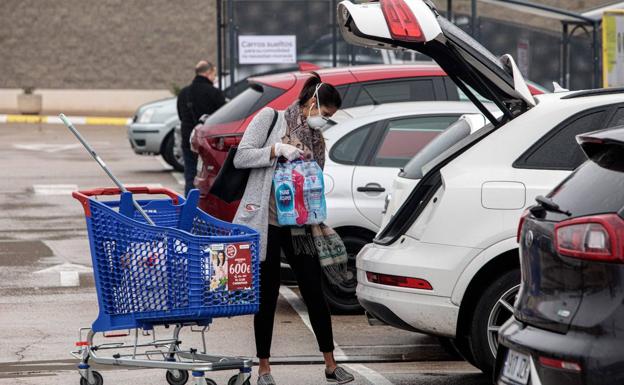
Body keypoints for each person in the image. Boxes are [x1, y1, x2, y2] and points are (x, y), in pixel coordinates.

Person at [232, 72, 355, 385]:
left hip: (300, 224)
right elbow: (241, 157)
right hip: (267, 221)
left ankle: (330, 364)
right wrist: (276, 151)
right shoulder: (270, 118)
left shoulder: (317, 139)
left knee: (314, 290)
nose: (324, 121)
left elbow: (314, 179)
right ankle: (264, 368)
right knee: (268, 295)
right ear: (312, 102)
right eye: (324, 114)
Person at [177, 60, 226, 196]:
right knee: (209, 176)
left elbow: (181, 116)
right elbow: (223, 117)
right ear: (208, 73)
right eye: (214, 74)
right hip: (209, 141)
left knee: (190, 174)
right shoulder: (214, 93)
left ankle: (189, 206)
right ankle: (205, 207)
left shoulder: (183, 93)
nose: (214, 77)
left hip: (189, 139)